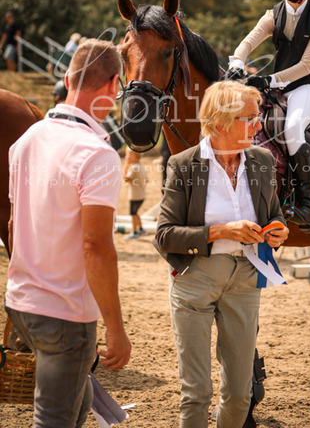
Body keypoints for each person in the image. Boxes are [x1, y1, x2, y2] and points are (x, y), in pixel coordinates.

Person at [5, 38, 131, 428]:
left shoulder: (25, 141)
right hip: (64, 313)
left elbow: (13, 225)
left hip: (20, 302)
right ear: (112, 85)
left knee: (77, 407)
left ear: (67, 78)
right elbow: (96, 246)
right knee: (54, 419)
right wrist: (116, 329)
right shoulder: (97, 154)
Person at [154, 80, 289, 428]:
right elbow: (164, 236)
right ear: (222, 122)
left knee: (241, 394)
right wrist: (220, 232)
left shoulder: (262, 160)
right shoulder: (183, 164)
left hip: (246, 279)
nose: (258, 125)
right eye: (250, 118)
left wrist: (278, 230)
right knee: (196, 392)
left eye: (258, 116)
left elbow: (273, 213)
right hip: (195, 279)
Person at [228, 0, 310, 234]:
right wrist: (238, 63)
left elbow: (307, 65)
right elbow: (247, 43)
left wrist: (269, 80)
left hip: (309, 85)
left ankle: (306, 206)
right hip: (279, 88)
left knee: (292, 127)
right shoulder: (273, 14)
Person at [123, 147, 147, 239]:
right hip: (142, 195)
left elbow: (126, 178)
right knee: (136, 213)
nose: (126, 157)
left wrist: (125, 166)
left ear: (133, 155)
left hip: (134, 196)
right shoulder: (142, 166)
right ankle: (141, 229)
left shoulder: (134, 168)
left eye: (127, 155)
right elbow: (147, 180)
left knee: (133, 214)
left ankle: (135, 232)